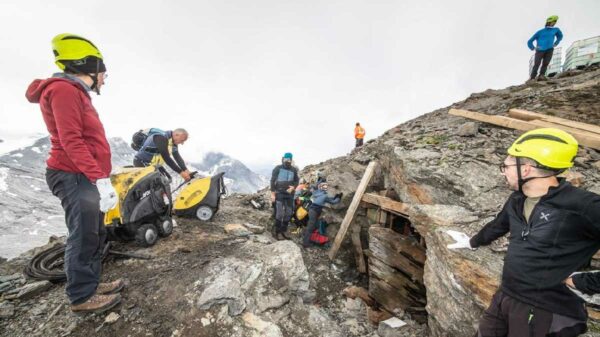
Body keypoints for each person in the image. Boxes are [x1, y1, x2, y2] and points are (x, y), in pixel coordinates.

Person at [447, 128, 600, 336]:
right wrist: (472, 242)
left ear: (526, 169)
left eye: (507, 166)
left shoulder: (583, 206)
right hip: (506, 296)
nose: (503, 171)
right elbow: (499, 225)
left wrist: (585, 282)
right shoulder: (517, 200)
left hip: (545, 309)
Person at [26, 33, 124, 313]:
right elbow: (72, 140)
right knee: (83, 234)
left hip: (82, 174)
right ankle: (81, 297)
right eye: (103, 72)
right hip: (72, 174)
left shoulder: (72, 91)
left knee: (94, 231)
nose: (104, 78)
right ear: (87, 65)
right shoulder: (64, 91)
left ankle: (90, 284)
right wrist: (99, 177)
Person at [303, 182, 342, 248]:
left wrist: (334, 197)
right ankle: (305, 243)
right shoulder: (324, 196)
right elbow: (333, 202)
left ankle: (309, 238)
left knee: (313, 226)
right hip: (315, 212)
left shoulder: (317, 192)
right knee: (311, 227)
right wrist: (338, 197)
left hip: (312, 211)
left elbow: (328, 199)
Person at [270, 152, 299, 240]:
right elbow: (272, 181)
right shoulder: (277, 168)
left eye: (289, 160)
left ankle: (283, 230)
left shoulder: (293, 170)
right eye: (286, 159)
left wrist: (293, 186)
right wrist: (273, 194)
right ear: (283, 159)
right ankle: (277, 232)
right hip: (279, 193)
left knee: (289, 213)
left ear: (291, 160)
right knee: (279, 213)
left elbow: (297, 180)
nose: (287, 161)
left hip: (290, 195)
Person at [527, 15, 563, 81]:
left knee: (546, 63)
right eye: (553, 22)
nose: (554, 23)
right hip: (540, 50)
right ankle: (532, 78)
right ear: (549, 22)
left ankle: (541, 75)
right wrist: (533, 48)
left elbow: (560, 36)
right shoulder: (540, 32)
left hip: (550, 49)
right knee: (537, 64)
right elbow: (529, 41)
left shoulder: (556, 30)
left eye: (555, 22)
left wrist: (556, 43)